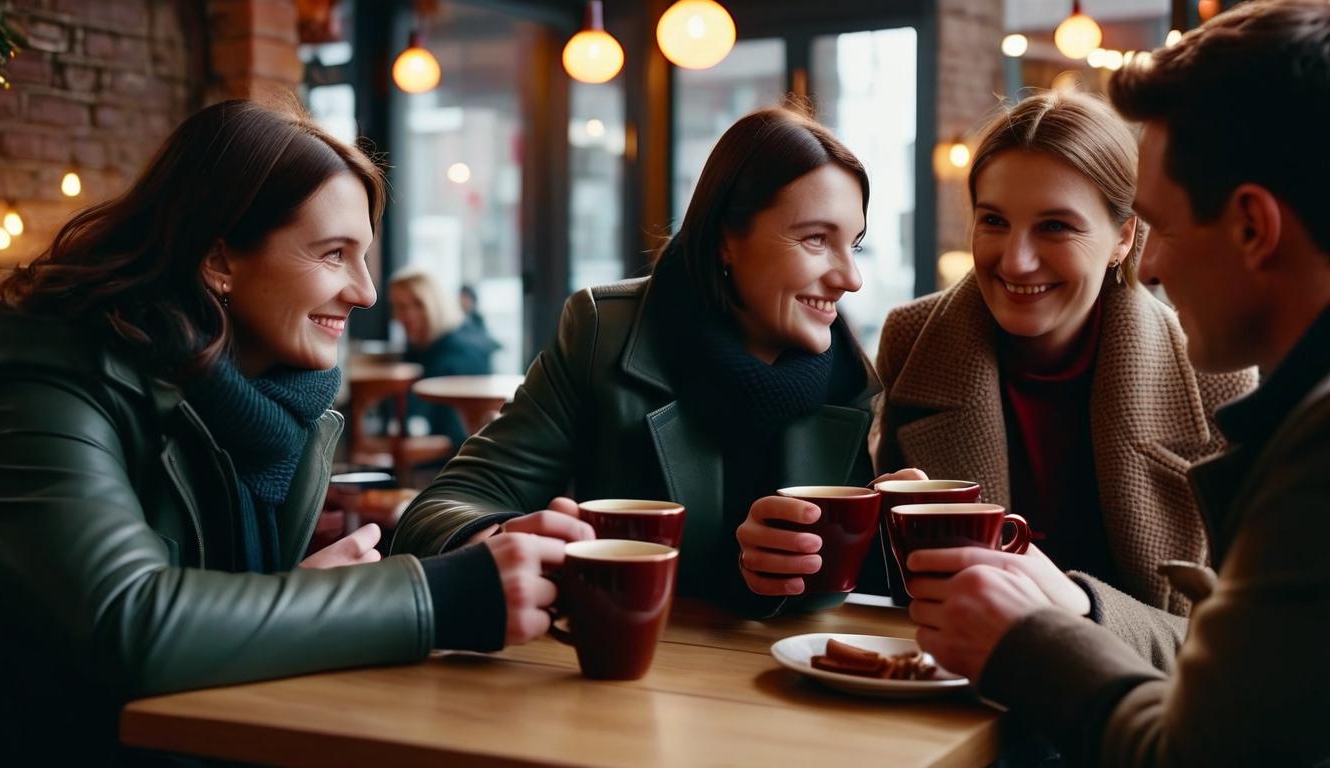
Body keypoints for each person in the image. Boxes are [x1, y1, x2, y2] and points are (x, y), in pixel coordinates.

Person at [0, 100, 565, 761]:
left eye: (365, 256)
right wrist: (444, 595)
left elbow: (215, 613)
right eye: (333, 254)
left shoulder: (272, 410)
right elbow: (126, 621)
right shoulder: (46, 381)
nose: (366, 292)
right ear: (219, 261)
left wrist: (302, 597)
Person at [906, 2, 1330, 763]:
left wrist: (1050, 622)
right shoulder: (914, 343)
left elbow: (1203, 744)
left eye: (1162, 227)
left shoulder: (1300, 434)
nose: (1156, 270)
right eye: (992, 221)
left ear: (1252, 228)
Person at [392, 107, 881, 616]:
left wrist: (890, 535)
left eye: (855, 244)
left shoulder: (848, 377)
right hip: (623, 671)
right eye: (816, 240)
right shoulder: (605, 333)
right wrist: (495, 539)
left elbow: (852, 594)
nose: (850, 278)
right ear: (725, 239)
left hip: (780, 679)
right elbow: (439, 509)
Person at [860, 91, 1257, 662]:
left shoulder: (1213, 375)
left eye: (1055, 227)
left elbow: (1244, 646)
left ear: (1124, 238)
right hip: (957, 710)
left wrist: (1077, 607)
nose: (1016, 260)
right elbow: (891, 594)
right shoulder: (913, 340)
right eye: (993, 221)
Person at [389, 267, 499, 444]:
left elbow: (457, 436)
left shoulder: (460, 354)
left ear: (436, 305)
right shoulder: (420, 350)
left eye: (418, 304)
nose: (408, 315)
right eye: (400, 307)